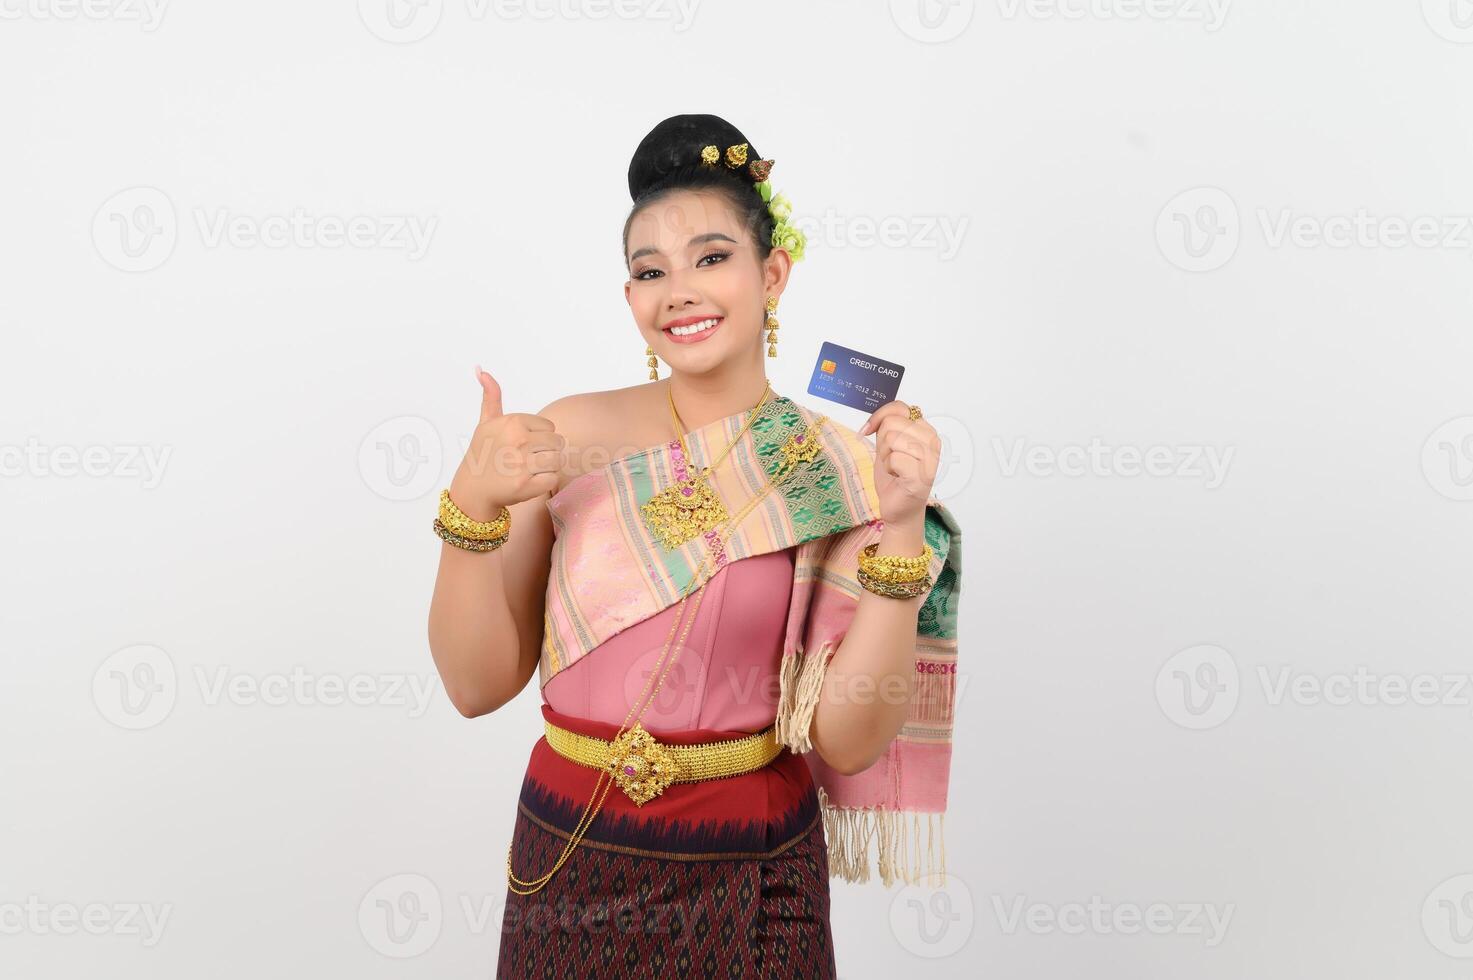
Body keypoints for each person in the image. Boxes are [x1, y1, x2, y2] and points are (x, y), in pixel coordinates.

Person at [426, 113, 964, 978]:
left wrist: (899, 527)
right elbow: (475, 685)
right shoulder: (565, 434)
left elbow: (848, 741)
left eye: (711, 257)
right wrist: (470, 507)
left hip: (752, 859)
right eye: (650, 271)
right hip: (572, 847)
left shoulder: (828, 467)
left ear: (772, 273)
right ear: (630, 294)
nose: (678, 289)